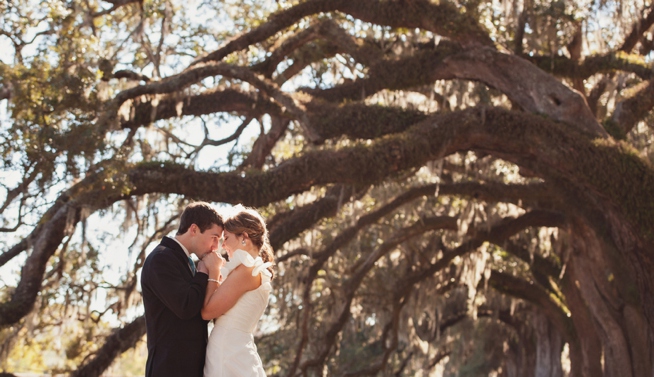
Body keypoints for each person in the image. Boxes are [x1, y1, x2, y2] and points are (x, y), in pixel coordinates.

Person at [141, 202, 225, 377]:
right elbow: (185, 307)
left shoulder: (186, 261)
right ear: (193, 229)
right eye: (214, 237)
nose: (216, 246)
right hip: (169, 369)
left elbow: (198, 313)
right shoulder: (161, 258)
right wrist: (203, 274)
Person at [201, 205, 275, 376]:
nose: (223, 245)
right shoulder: (255, 270)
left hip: (228, 351)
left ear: (244, 237)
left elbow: (207, 312)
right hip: (234, 346)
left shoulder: (247, 271)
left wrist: (213, 271)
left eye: (226, 238)